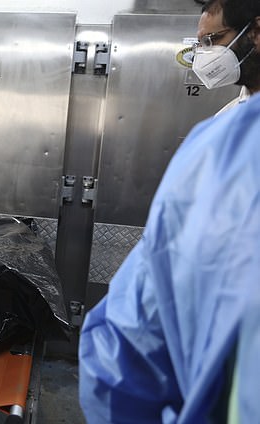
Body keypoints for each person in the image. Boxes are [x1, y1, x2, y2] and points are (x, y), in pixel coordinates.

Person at [79, 0, 260, 422]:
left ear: (255, 32)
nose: (205, 56)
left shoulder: (223, 148)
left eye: (213, 40)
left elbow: (130, 343)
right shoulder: (226, 130)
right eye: (198, 45)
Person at [193, 0, 260, 114]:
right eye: (200, 44)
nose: (203, 52)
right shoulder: (227, 118)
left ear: (256, 32)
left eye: (210, 40)